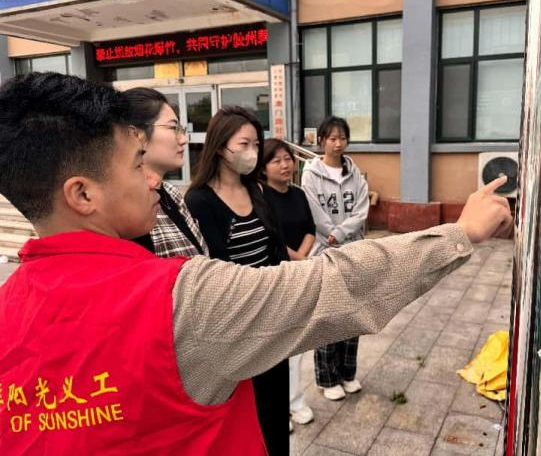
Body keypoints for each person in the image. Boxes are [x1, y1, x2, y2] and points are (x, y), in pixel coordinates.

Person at [0, 73, 512, 455]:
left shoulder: (8, 310)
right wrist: (459, 233)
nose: (153, 178)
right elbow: (333, 285)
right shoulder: (180, 300)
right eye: (137, 164)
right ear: (82, 194)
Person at [184, 107, 289, 455]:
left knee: (275, 411)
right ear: (220, 148)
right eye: (244, 144)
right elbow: (216, 269)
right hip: (237, 325)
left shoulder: (257, 190)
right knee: (246, 416)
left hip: (272, 318)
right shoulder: (199, 201)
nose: (252, 152)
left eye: (256, 144)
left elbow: (276, 250)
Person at [301, 117, 369, 401]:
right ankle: (327, 379)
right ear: (321, 141)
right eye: (332, 138)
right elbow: (314, 211)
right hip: (326, 251)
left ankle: (347, 373)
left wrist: (340, 233)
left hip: (353, 250)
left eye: (342, 138)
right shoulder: (310, 174)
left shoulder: (355, 173)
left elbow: (362, 210)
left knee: (353, 314)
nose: (338, 143)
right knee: (329, 316)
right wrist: (333, 235)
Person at [260, 139, 316, 429]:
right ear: (263, 167)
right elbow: (272, 238)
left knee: (297, 343)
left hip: (300, 274)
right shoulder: (259, 197)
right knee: (275, 346)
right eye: (276, 160)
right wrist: (297, 260)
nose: (285, 165)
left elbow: (310, 229)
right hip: (276, 276)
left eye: (288, 159)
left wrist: (303, 258)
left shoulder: (298, 193)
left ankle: (295, 401)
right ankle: (277, 406)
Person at [122, 87, 208, 258]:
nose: (184, 139)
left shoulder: (172, 193)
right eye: (173, 127)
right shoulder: (125, 209)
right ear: (136, 135)